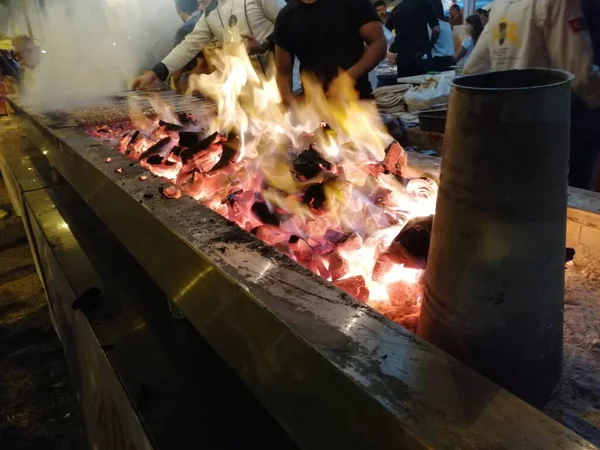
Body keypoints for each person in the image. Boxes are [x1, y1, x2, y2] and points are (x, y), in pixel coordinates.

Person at [465, 0, 600, 189]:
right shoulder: (558, 3)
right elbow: (582, 76)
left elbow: (473, 70)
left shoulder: (500, 6)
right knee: (566, 200)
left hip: (509, 128)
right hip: (554, 132)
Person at [133, 0, 286, 90]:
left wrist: (264, 44)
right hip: (242, 90)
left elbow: (290, 24)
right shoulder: (210, 12)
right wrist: (155, 73)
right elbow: (188, 46)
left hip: (280, 85)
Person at [274, 0, 386, 103]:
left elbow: (378, 44)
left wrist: (347, 78)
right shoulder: (286, 16)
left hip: (356, 102)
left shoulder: (353, 2)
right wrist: (288, 104)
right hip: (314, 107)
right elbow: (283, 71)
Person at [385, 0, 440, 78]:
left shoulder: (396, 10)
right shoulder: (425, 4)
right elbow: (436, 30)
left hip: (402, 59)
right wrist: (430, 45)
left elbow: (385, 33)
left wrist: (387, 52)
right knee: (425, 86)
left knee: (405, 87)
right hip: (421, 56)